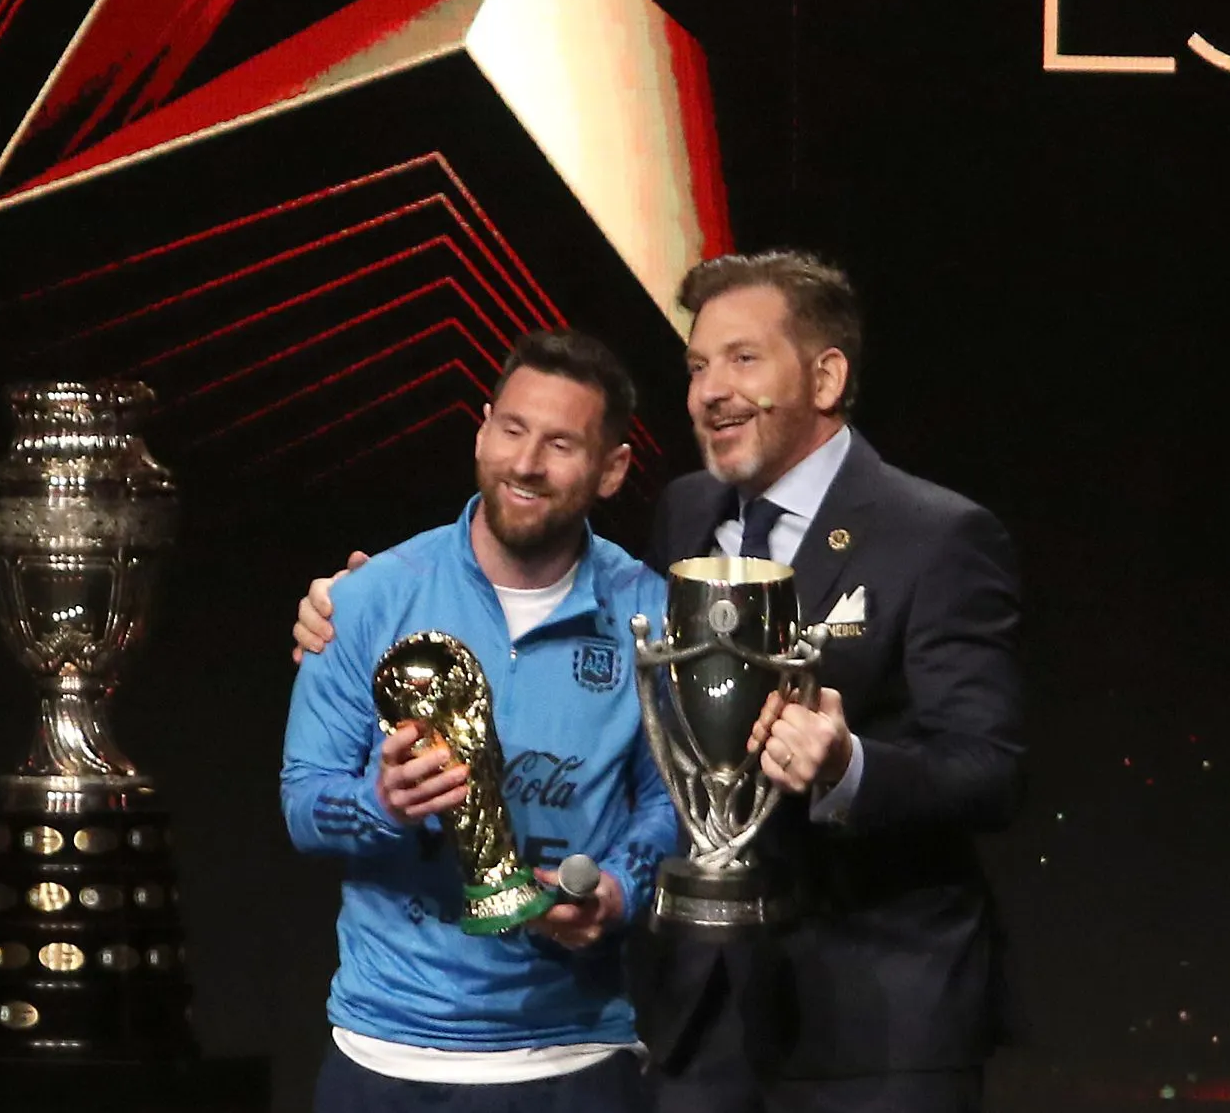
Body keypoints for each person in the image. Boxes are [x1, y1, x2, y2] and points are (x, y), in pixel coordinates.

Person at [294, 251, 1025, 1112]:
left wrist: (846, 766)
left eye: (743, 359)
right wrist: (369, 604)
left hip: (876, 1016)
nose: (711, 390)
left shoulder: (935, 534)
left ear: (826, 377)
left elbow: (989, 771)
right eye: (697, 366)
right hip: (704, 1015)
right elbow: (641, 723)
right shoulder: (687, 513)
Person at [281, 327, 678, 1113]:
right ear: (482, 430)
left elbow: (674, 801)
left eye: (560, 444)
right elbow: (303, 804)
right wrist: (381, 804)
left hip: (573, 1055)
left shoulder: (650, 613)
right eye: (512, 429)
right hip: (383, 1055)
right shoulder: (367, 600)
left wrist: (620, 891)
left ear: (611, 469)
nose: (525, 463)